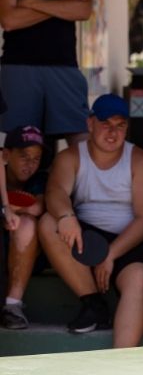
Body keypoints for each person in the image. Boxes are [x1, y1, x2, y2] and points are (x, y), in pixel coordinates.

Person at [38, 94, 143, 348]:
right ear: (90, 124)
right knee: (48, 224)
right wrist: (66, 216)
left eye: (120, 125)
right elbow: (55, 193)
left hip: (130, 241)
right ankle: (93, 303)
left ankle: (121, 362)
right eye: (105, 123)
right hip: (87, 236)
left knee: (138, 279)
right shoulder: (71, 157)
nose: (112, 132)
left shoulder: (140, 161)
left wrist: (111, 254)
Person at [0, 0, 92, 146]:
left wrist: (30, 2)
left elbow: (83, 11)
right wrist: (64, 2)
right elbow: (9, 20)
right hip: (19, 65)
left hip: (64, 65)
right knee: (22, 143)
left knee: (81, 141)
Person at [0, 125, 47, 329]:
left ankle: (12, 306)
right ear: (6, 155)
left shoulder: (39, 179)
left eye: (35, 159)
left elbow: (37, 207)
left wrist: (8, 210)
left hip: (25, 251)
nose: (30, 164)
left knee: (26, 223)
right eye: (24, 156)